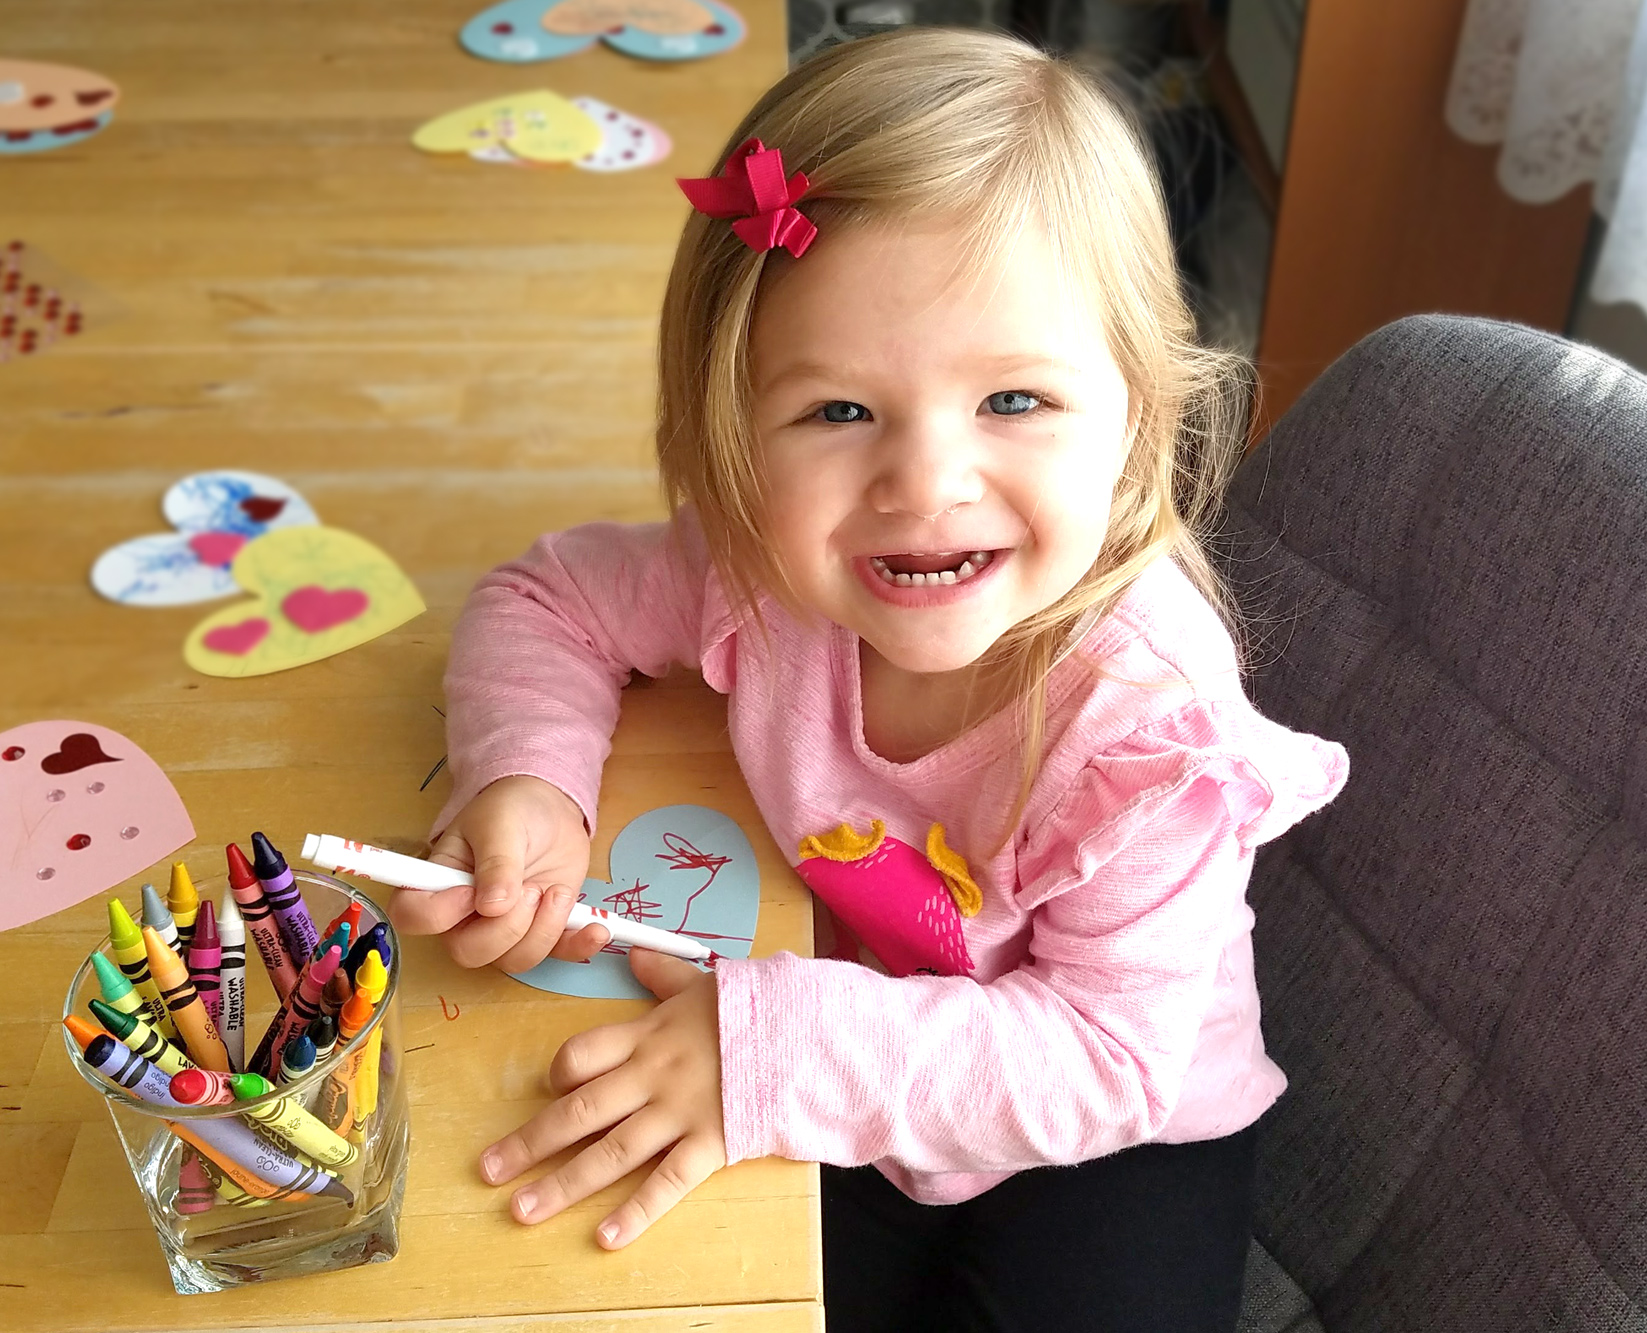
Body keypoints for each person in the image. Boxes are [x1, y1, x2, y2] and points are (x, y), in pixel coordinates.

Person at [391, 26, 1348, 1332]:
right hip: (856, 1058)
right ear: (731, 439)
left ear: (1138, 413)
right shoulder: (765, 571)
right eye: (839, 412)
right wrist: (526, 787)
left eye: (1013, 400)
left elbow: (1108, 1058)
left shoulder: (1146, 725)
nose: (923, 484)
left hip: (1115, 1125)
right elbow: (546, 599)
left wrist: (763, 1046)